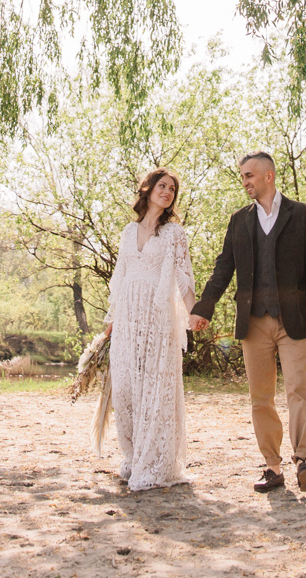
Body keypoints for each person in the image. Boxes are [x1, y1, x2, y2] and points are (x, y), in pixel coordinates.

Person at [189, 151, 306, 493]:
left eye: (249, 175)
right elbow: (224, 268)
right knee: (260, 398)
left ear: (269, 176)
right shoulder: (239, 220)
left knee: (299, 389)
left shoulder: (302, 215)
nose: (245, 182)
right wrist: (203, 308)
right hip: (253, 323)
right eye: (242, 177)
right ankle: (272, 466)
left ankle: (303, 460)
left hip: (294, 319)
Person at [99, 167, 197, 491]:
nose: (167, 192)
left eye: (172, 189)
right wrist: (111, 321)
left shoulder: (174, 235)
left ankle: (153, 464)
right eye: (162, 186)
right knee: (126, 389)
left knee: (153, 390)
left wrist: (195, 313)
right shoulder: (128, 232)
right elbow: (119, 278)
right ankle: (131, 456)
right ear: (148, 189)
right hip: (127, 319)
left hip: (158, 321)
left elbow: (184, 279)